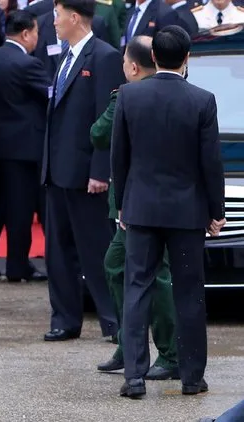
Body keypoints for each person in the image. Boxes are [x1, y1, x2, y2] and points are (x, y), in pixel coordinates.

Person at [111, 25, 226, 398]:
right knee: (189, 293)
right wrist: (216, 210)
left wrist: (123, 205)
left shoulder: (129, 97)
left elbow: (119, 160)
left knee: (137, 289)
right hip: (187, 212)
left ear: (154, 58)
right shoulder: (202, 100)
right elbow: (211, 163)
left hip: (141, 208)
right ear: (187, 58)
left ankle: (134, 376)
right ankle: (192, 376)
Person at [91, 35, 179, 381]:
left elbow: (98, 134)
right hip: (154, 201)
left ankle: (170, 353)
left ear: (133, 66)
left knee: (155, 276)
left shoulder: (127, 97)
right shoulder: (179, 92)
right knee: (116, 267)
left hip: (139, 203)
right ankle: (132, 344)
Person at [40, 0, 124, 342]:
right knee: (57, 250)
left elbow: (108, 116)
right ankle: (64, 318)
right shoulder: (64, 56)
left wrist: (100, 170)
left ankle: (114, 320)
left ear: (75, 18)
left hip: (86, 173)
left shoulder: (103, 57)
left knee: (95, 250)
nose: (53, 22)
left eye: (58, 16)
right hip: (57, 170)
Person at [0, 10, 50, 282]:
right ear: (26, 33)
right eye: (36, 32)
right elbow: (50, 98)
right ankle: (17, 266)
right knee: (20, 209)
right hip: (21, 151)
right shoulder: (29, 65)